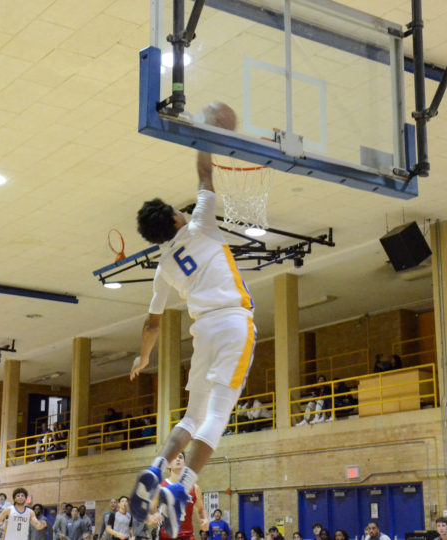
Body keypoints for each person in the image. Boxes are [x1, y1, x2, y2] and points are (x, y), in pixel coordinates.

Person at [129, 103, 256, 540]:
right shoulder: (200, 223)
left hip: (201, 331)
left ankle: (156, 467)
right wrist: (205, 135)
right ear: (177, 218)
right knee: (217, 415)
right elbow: (205, 176)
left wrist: (142, 359)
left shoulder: (163, 268)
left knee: (193, 414)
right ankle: (181, 490)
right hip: (233, 324)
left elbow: (151, 325)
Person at [153, 452, 209, 540]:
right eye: (174, 457)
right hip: (166, 536)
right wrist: (153, 516)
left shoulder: (195, 488)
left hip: (187, 536)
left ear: (184, 464)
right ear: (168, 465)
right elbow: (150, 510)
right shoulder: (160, 488)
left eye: (180, 457)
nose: (178, 459)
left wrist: (205, 519)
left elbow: (200, 510)